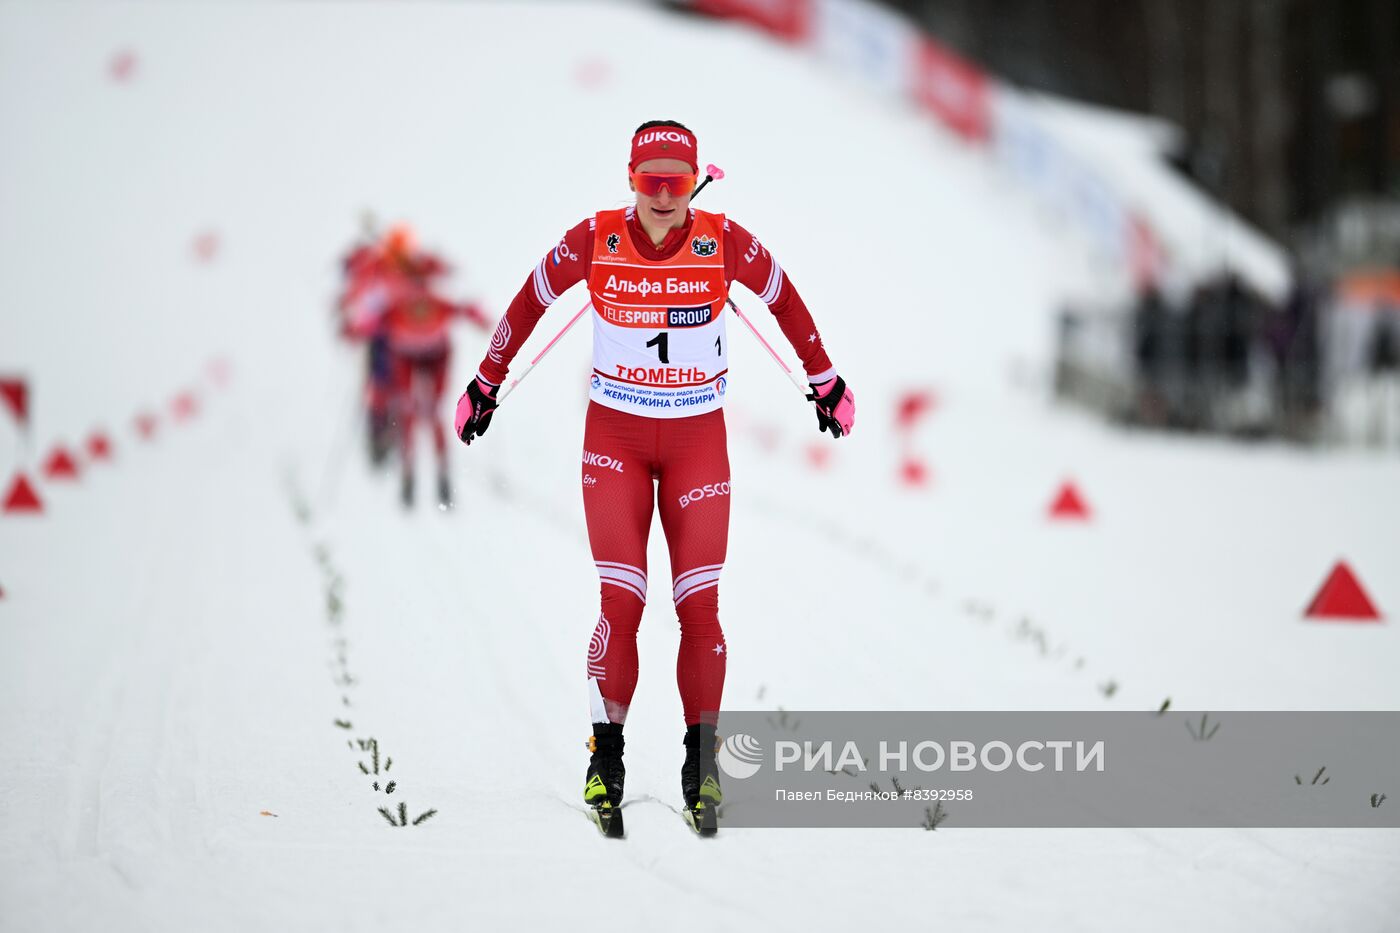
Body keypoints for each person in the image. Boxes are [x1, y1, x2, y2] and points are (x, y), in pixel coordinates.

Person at [454, 121, 855, 833]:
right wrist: (486, 383)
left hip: (699, 442)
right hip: (617, 441)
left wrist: (823, 380)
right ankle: (604, 760)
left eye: (677, 181)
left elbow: (785, 299)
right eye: (650, 181)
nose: (664, 197)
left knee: (699, 606)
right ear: (630, 180)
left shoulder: (723, 242)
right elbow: (527, 303)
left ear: (695, 179)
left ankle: (702, 766)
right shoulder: (595, 238)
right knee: (624, 596)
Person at [346, 225, 488, 507]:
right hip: (404, 355)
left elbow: (463, 303)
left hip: (435, 355)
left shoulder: (432, 293)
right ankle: (407, 471)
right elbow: (367, 320)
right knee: (407, 407)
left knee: (432, 411)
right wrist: (360, 327)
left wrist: (479, 317)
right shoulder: (391, 297)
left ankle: (440, 475)